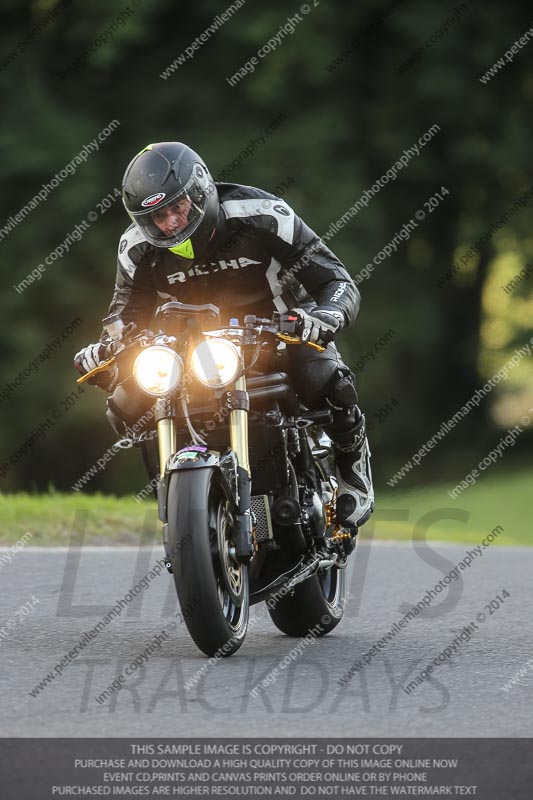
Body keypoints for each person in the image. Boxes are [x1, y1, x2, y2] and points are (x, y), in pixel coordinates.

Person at [74, 142, 374, 527]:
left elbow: (335, 278)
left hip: (276, 335)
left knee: (322, 374)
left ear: (201, 192)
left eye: (176, 208)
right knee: (125, 403)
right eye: (156, 218)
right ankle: (184, 507)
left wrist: (325, 316)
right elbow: (123, 317)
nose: (170, 225)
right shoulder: (135, 248)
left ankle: (354, 468)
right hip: (190, 356)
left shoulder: (262, 215)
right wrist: (107, 350)